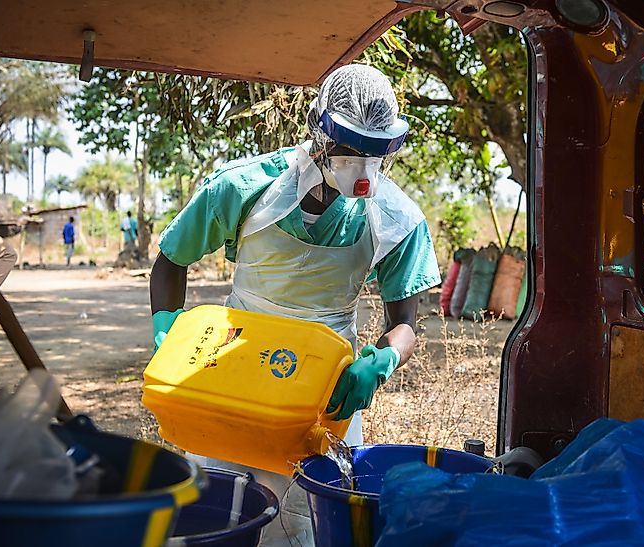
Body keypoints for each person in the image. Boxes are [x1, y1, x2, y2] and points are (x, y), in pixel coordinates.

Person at [149, 64, 441, 546]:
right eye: (350, 152)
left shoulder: (396, 218)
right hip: (230, 367)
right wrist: (166, 328)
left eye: (374, 155)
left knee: (307, 519)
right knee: (219, 507)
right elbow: (171, 259)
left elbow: (405, 321)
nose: (363, 169)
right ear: (319, 134)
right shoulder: (244, 186)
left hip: (322, 386)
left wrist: (381, 362)